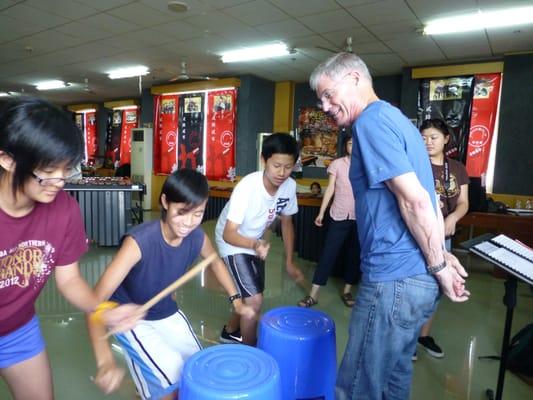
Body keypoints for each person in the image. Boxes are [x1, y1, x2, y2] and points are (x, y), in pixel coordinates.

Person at [309, 53, 470, 400]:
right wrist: (438, 256)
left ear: (354, 78)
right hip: (414, 279)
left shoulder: (371, 122)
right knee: (395, 375)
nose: (324, 105)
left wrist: (440, 264)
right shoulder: (396, 120)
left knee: (357, 385)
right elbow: (421, 199)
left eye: (327, 94)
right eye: (319, 99)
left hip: (394, 281)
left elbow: (414, 201)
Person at [0, 97, 140, 400]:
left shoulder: (64, 210)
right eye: (48, 170)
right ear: (7, 160)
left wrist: (102, 309)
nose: (60, 181)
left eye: (66, 168)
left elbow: (69, 280)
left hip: (17, 330)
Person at [87, 169, 255, 400]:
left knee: (196, 370)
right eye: (182, 212)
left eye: (198, 213)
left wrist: (236, 301)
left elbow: (215, 262)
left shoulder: (197, 236)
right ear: (165, 202)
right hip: (131, 318)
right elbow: (94, 302)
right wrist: (105, 360)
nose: (189, 222)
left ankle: (147, 382)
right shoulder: (140, 242)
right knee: (171, 384)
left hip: (166, 310)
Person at [216, 132, 304, 346]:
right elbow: (229, 233)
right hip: (232, 242)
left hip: (255, 242)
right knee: (255, 300)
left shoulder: (289, 186)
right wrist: (254, 244)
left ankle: (229, 331)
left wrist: (289, 261)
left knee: (251, 294)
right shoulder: (248, 187)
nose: (282, 173)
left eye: (288, 166)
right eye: (276, 166)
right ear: (264, 160)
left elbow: (286, 223)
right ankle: (250, 351)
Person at [414, 118, 470, 360]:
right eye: (423, 137)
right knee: (415, 284)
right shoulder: (415, 165)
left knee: (437, 286)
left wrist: (453, 217)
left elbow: (464, 202)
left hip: (444, 237)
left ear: (446, 139)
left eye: (433, 137)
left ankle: (424, 336)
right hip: (420, 234)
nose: (428, 142)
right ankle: (407, 339)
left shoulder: (457, 168)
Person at [298, 135, 361, 308]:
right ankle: (313, 295)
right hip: (338, 215)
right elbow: (330, 189)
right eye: (350, 143)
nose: (353, 147)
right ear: (345, 146)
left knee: (354, 256)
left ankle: (347, 291)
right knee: (328, 254)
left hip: (360, 217)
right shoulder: (338, 164)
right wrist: (321, 213)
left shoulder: (366, 165)